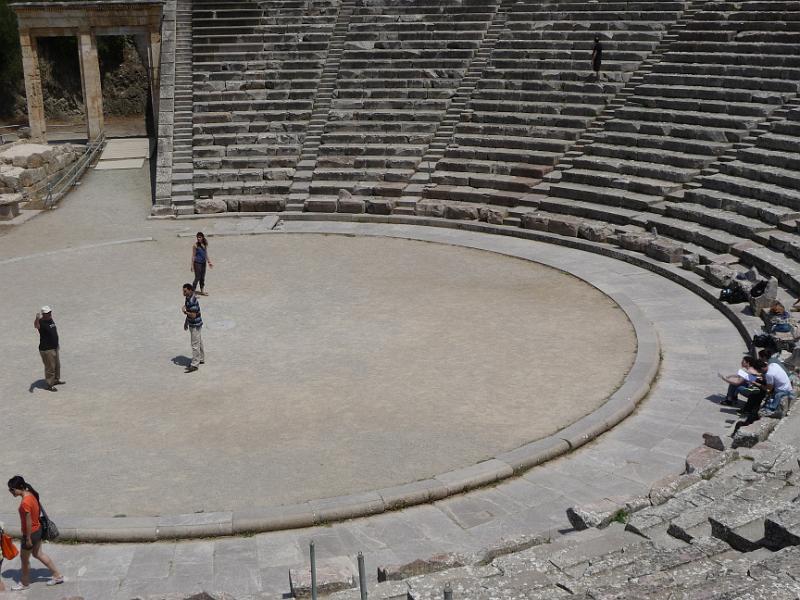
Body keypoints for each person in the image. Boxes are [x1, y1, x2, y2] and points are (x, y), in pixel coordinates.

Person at [7, 476, 63, 590]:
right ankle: (57, 576)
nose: (11, 492)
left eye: (12, 489)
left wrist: (27, 538)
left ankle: (24, 583)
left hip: (31, 533)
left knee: (24, 559)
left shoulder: (25, 503)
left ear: (20, 487)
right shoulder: (31, 494)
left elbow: (28, 522)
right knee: (38, 554)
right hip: (38, 530)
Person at [33, 306, 64, 392]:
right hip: (47, 349)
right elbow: (36, 326)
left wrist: (57, 345)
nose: (50, 314)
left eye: (50, 312)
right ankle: (50, 384)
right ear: (44, 314)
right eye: (48, 313)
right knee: (50, 367)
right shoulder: (41, 322)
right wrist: (36, 318)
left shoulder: (50, 319)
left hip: (54, 347)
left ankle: (56, 380)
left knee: (57, 365)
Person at [758, 352, 794, 417]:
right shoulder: (773, 364)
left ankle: (770, 408)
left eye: (759, 371)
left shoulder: (769, 374)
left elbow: (769, 389)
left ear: (761, 368)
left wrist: (756, 384)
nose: (760, 372)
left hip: (782, 390)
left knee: (768, 395)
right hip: (788, 386)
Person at [182, 283, 204, 373]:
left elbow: (193, 315)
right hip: (194, 324)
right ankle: (201, 358)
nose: (183, 293)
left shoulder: (192, 300)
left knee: (195, 344)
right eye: (183, 291)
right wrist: (186, 322)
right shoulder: (187, 298)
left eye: (185, 291)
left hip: (195, 325)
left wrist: (185, 312)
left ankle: (195, 365)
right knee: (199, 341)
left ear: (190, 290)